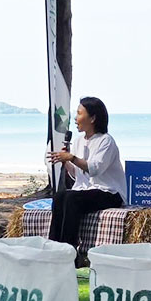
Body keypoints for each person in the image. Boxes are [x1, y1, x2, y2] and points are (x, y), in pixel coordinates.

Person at [47, 97, 127, 261]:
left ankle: (69, 252)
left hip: (109, 192)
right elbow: (78, 175)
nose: (75, 118)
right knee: (60, 196)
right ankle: (53, 248)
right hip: (86, 190)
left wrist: (72, 157)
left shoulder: (106, 141)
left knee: (72, 199)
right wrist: (66, 162)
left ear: (92, 118)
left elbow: (94, 169)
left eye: (79, 113)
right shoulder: (78, 141)